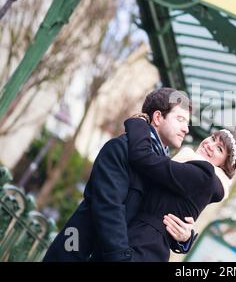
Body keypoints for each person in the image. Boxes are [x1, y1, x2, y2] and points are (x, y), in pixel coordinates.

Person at [43, 88, 197, 262]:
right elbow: (108, 208)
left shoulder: (163, 169)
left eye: (187, 123)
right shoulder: (120, 148)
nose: (186, 129)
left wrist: (185, 237)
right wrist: (122, 258)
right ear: (158, 117)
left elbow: (159, 218)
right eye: (180, 119)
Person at [122, 115, 236, 261]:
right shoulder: (200, 175)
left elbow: (144, 159)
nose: (210, 145)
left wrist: (138, 123)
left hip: (140, 247)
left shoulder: (203, 176)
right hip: (143, 245)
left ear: (224, 165)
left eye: (219, 149)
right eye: (213, 138)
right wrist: (185, 241)